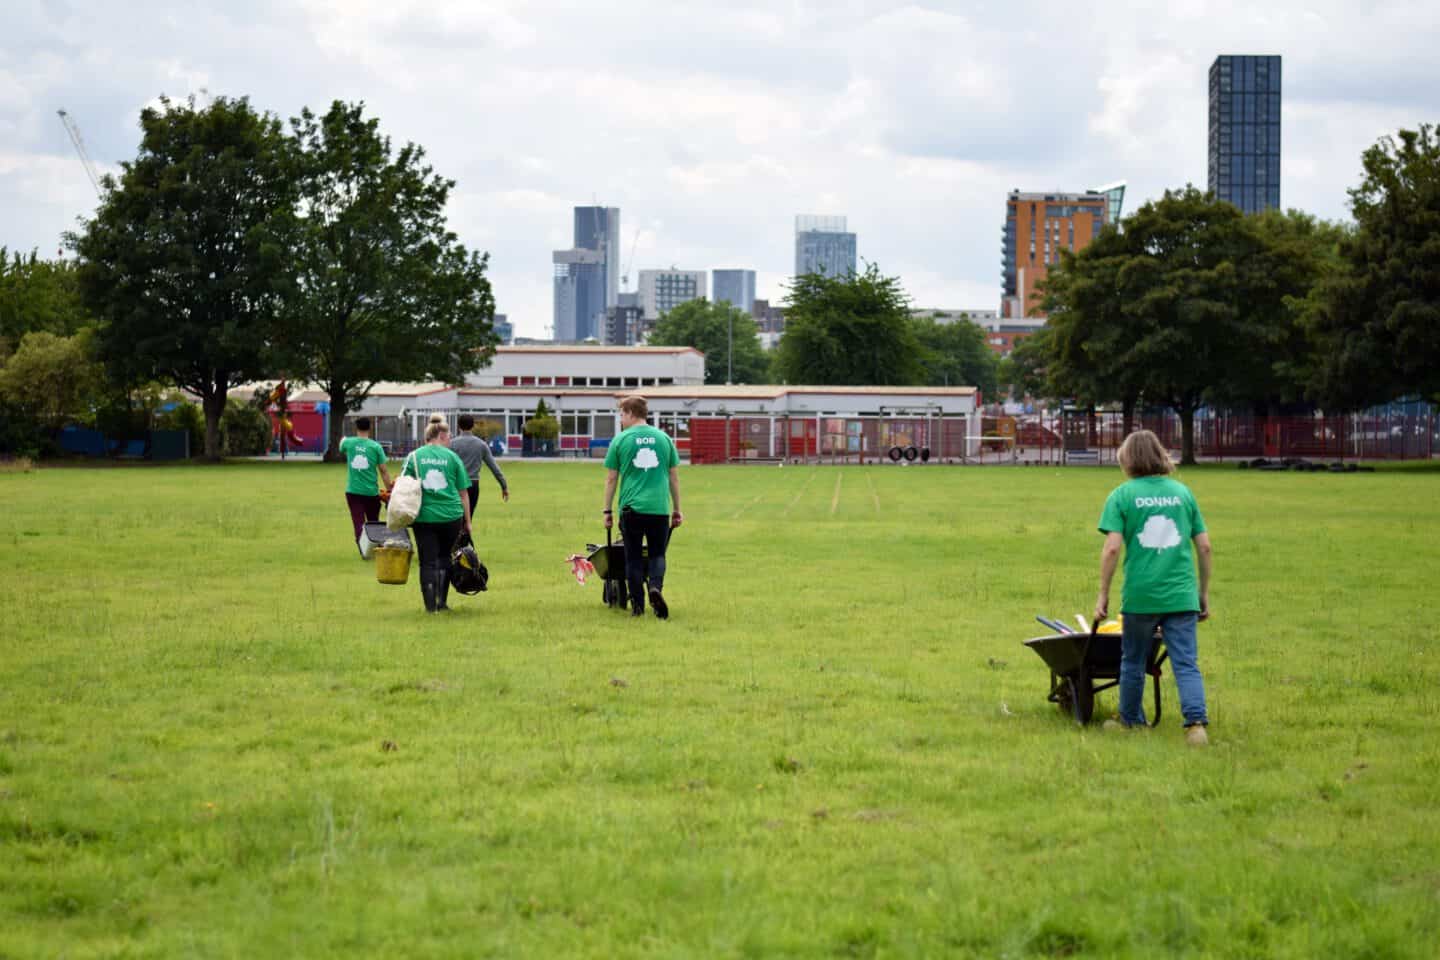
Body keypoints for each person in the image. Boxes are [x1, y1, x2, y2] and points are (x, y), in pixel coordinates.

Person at [1094, 429, 1213, 745]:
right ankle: (1196, 725)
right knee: (1186, 662)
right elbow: (1204, 547)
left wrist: (1103, 594)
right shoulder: (1183, 494)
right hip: (1181, 595)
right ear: (1160, 455)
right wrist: (1202, 593)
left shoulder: (1121, 495)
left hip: (1140, 597)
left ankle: (1131, 721)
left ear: (1127, 460)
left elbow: (1112, 549)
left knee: (1133, 660)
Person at [602, 395, 682, 618]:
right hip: (658, 509)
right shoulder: (664, 439)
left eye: (621, 414)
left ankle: (637, 605)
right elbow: (674, 478)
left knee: (633, 558)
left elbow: (611, 479)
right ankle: (655, 587)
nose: (620, 419)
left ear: (630, 413)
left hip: (631, 510)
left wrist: (607, 511)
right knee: (657, 555)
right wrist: (676, 509)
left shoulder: (620, 440)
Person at [401, 420, 472, 613]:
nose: (450, 440)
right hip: (451, 516)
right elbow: (463, 493)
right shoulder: (452, 457)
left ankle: (430, 606)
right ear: (440, 435)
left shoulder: (414, 457)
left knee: (427, 561)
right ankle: (442, 602)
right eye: (448, 436)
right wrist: (468, 522)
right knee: (444, 558)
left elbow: (402, 484)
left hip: (424, 516)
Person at [338, 417, 392, 557]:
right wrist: (390, 490)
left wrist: (343, 439)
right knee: (373, 521)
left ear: (356, 428)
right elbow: (384, 471)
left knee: (358, 522)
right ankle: (376, 548)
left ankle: (363, 550)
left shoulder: (349, 443)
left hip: (353, 491)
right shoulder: (375, 447)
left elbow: (341, 445)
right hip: (371, 492)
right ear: (370, 428)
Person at [450, 414, 509, 520]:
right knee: (468, 517)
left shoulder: (452, 444)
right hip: (473, 484)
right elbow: (494, 467)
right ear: (473, 426)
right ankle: (465, 535)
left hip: (456, 484)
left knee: (456, 517)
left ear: (459, 426)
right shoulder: (481, 445)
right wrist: (504, 486)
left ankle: (459, 535)